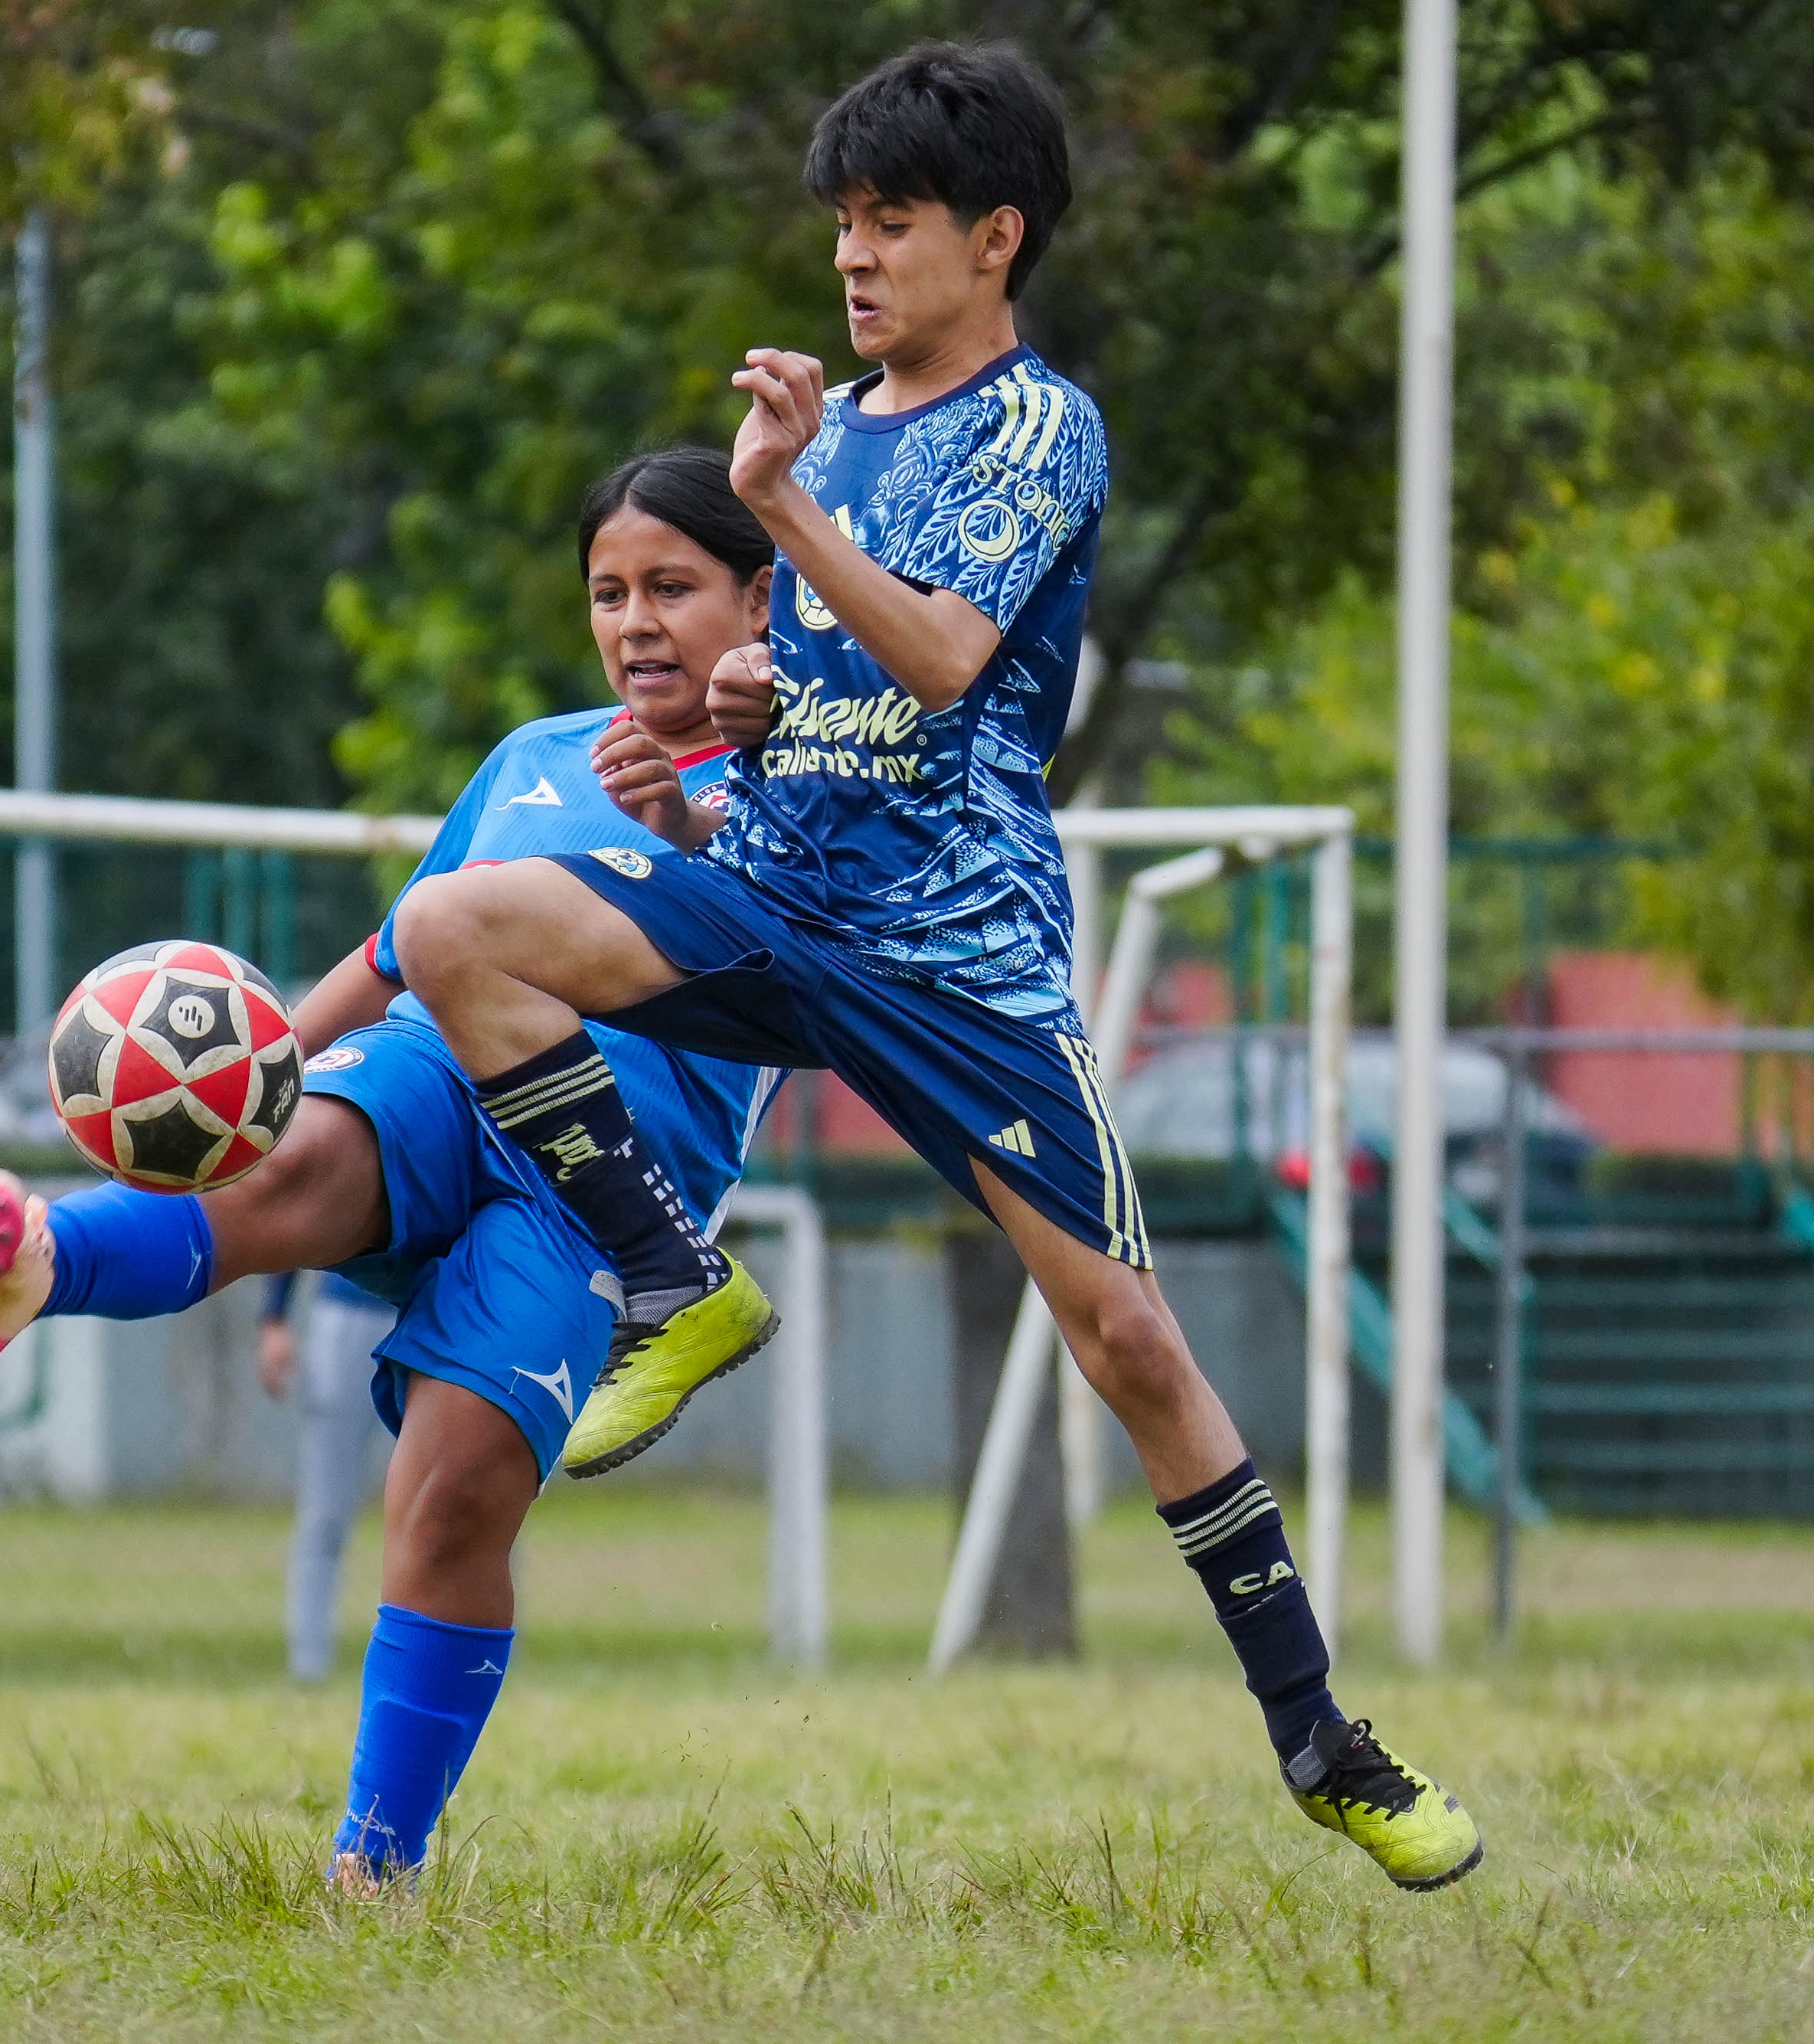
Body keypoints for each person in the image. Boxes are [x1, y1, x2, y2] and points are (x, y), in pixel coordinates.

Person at [384, 43, 1481, 1889]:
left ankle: (1321, 1742)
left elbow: (949, 664)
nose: (852, 256)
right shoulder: (835, 442)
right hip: (778, 899)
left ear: (994, 236)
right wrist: (726, 726)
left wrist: (784, 507)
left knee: (1126, 1338)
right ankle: (680, 1282)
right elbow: (826, 694)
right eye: (839, 222)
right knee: (450, 927)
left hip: (954, 966)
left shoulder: (1035, 425)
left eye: (888, 221)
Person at [0, 445, 780, 1883]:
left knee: (448, 1494)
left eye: (672, 587)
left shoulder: (812, 783)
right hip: (443, 1073)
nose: (634, 620)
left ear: (760, 592)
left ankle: (372, 1865)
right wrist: (255, 1074)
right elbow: (398, 951)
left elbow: (781, 956)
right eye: (607, 590)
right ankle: (36, 1256)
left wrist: (682, 824)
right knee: (282, 1164)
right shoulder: (529, 759)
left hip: (602, 1179)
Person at [261, 1267, 395, 1682]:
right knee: (325, 1511)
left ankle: (480, 1660)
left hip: (444, 1310)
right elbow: (295, 1206)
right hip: (349, 1313)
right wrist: (274, 1316)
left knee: (471, 1497)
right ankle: (309, 1665)